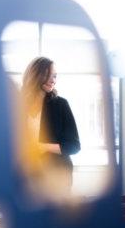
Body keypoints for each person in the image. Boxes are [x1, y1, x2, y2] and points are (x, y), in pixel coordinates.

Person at [20, 56, 80, 193]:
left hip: (57, 176)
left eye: (55, 76)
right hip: (27, 176)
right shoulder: (17, 106)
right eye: (48, 75)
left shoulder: (60, 105)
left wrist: (43, 147)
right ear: (35, 75)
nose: (53, 80)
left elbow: (74, 146)